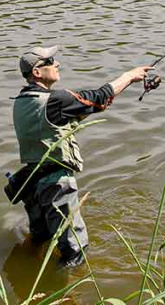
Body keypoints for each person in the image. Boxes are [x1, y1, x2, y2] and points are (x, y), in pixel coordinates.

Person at [9, 45, 152, 268]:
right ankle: (63, 297)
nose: (57, 64)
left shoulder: (21, 101)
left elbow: (54, 124)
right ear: (37, 72)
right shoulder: (56, 100)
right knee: (75, 251)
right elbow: (99, 99)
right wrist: (129, 76)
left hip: (32, 184)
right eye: (50, 61)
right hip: (56, 185)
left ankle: (27, 278)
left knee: (40, 238)